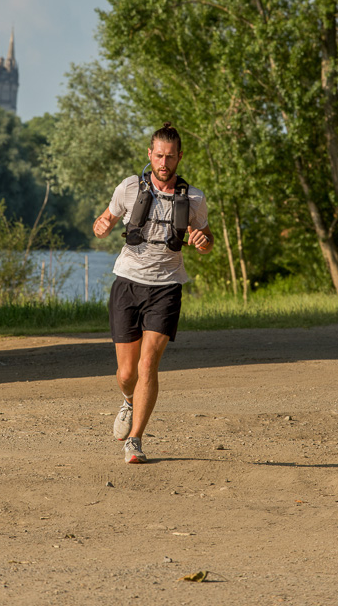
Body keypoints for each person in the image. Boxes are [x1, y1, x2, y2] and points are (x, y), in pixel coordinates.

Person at [92, 123, 213, 464]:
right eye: (158, 156)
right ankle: (128, 400)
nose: (164, 163)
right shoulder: (129, 188)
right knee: (127, 374)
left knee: (148, 365)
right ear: (150, 154)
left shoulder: (194, 198)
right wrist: (100, 226)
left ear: (179, 157)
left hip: (167, 286)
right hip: (127, 283)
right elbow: (104, 220)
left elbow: (205, 236)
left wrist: (203, 242)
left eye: (170, 157)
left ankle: (135, 441)